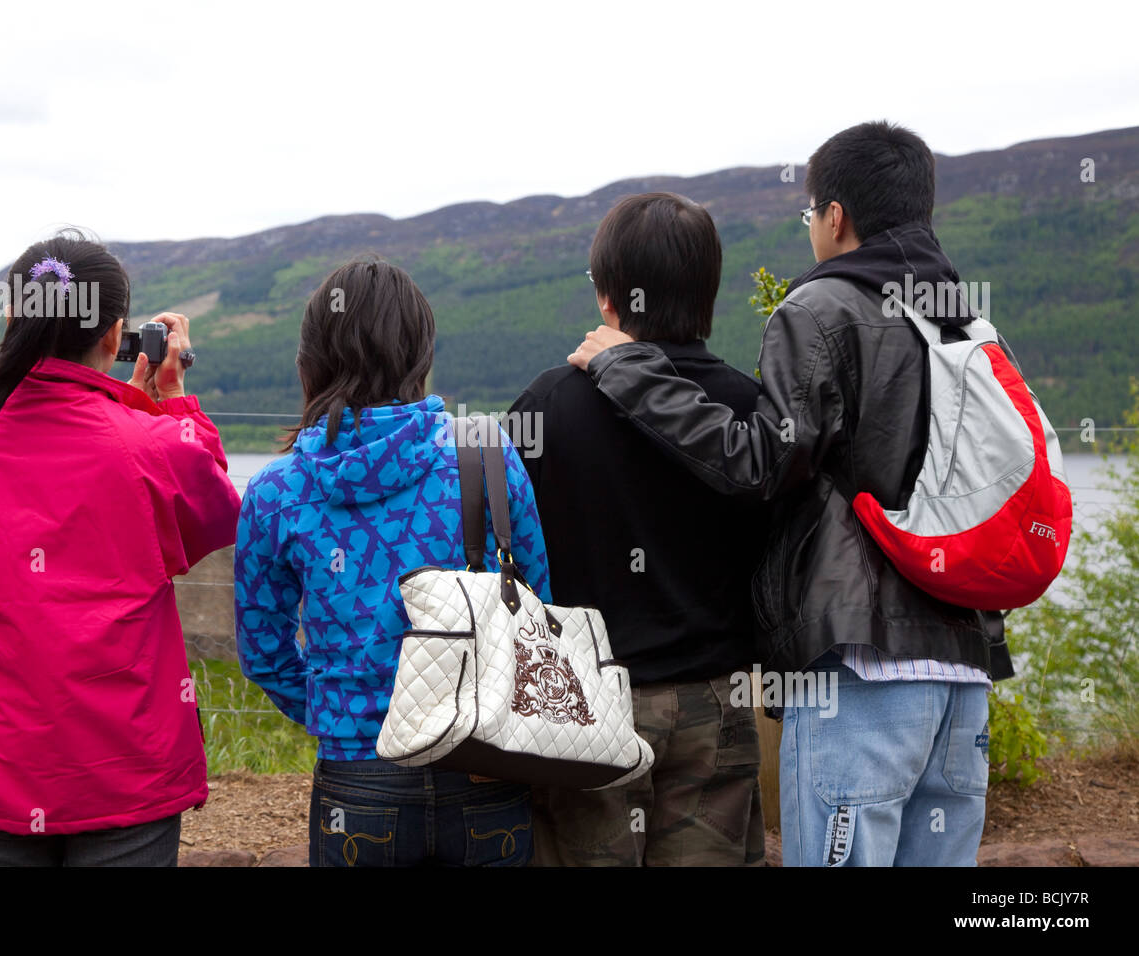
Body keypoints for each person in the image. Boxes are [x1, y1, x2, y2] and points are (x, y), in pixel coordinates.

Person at [569, 122, 1009, 867]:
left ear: (835, 216)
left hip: (863, 676)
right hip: (964, 671)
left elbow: (762, 465)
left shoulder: (823, 308)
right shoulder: (965, 319)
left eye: (810, 214)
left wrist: (630, 371)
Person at [0, 230, 240, 866]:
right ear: (115, 337)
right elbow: (214, 516)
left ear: (13, 320)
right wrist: (169, 403)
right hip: (126, 758)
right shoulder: (157, 447)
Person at [234, 255, 551, 867]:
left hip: (357, 776)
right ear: (420, 355)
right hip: (482, 759)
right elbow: (536, 602)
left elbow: (263, 653)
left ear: (312, 361)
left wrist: (336, 709)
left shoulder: (276, 492)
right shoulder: (486, 453)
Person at [508, 192, 767, 866]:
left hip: (585, 702)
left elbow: (508, 553)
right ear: (707, 291)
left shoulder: (546, 406)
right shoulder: (747, 408)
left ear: (608, 298)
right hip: (717, 696)